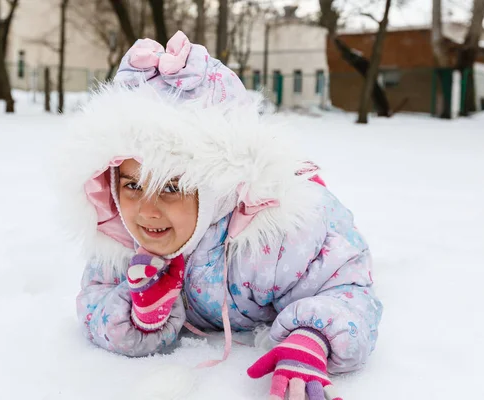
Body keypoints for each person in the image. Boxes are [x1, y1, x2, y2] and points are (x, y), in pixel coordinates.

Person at [59, 31, 383, 400]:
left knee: (316, 208)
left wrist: (311, 339)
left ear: (215, 188)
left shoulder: (281, 237)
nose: (147, 211)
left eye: (171, 187)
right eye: (132, 186)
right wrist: (138, 315)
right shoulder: (119, 236)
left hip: (289, 213)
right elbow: (94, 301)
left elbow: (346, 286)